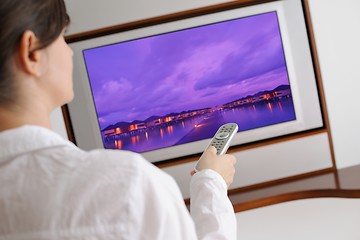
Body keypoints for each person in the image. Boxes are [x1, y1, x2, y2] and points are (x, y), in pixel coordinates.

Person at [0, 0, 237, 239]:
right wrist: (211, 183)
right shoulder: (127, 185)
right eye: (63, 36)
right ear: (32, 53)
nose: (69, 50)